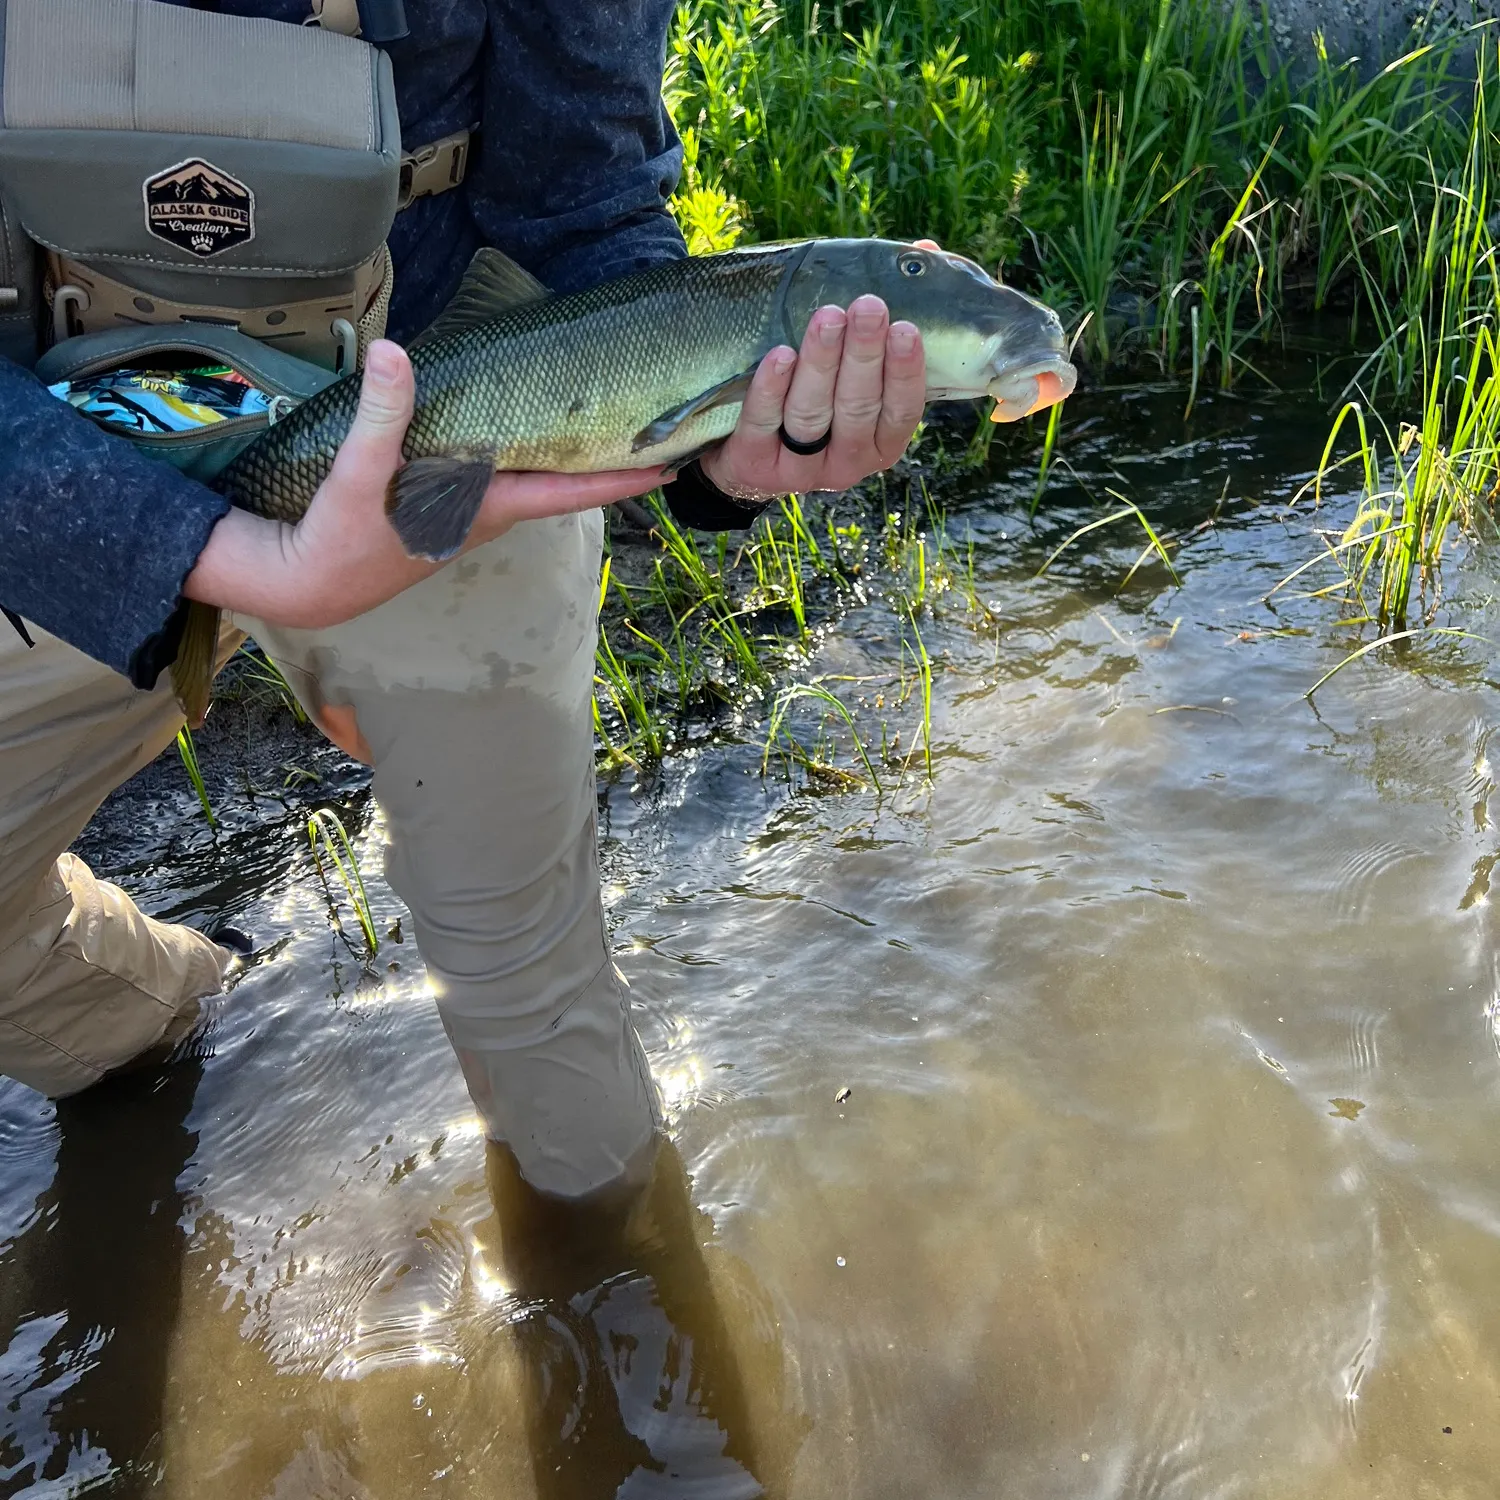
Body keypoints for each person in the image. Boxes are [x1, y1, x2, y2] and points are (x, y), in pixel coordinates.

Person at [0, 0, 925, 1203]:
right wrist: (210, 553)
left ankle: (605, 1285)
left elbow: (582, 204)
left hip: (456, 447)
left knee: (531, 998)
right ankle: (162, 1025)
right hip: (56, 465)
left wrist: (715, 435)